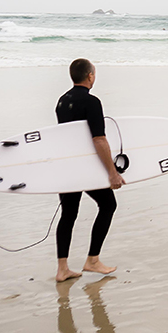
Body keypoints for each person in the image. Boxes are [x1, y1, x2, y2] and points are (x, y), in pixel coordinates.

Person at [54, 58, 125, 282]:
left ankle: (62, 269)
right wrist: (112, 172)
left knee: (68, 214)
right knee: (108, 204)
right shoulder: (92, 101)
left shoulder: (61, 101)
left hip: (67, 166)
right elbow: (99, 140)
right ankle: (92, 260)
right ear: (90, 76)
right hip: (85, 169)